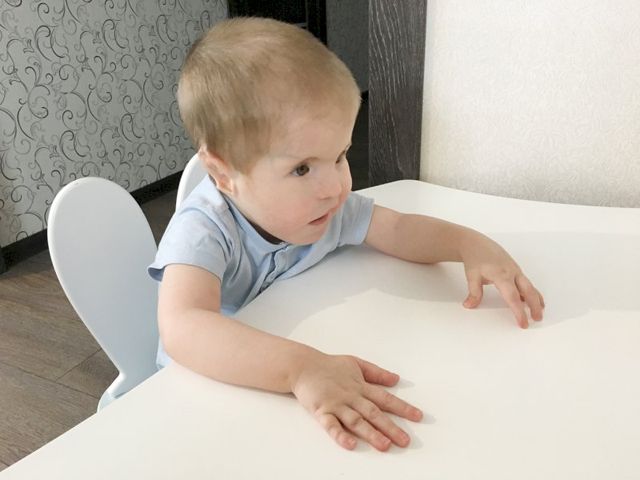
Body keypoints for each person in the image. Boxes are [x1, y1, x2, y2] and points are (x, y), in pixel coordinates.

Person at [148, 17, 545, 452]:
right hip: (200, 403)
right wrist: (300, 368)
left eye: (340, 156)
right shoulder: (203, 230)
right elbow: (184, 327)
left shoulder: (322, 209)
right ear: (224, 173)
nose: (336, 187)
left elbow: (397, 228)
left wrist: (468, 244)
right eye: (302, 168)